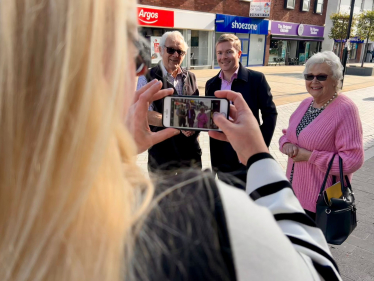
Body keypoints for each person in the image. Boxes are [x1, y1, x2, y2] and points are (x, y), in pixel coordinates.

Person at [0, 1, 343, 280]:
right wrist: (260, 157)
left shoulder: (19, 221)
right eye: (132, 46)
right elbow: (320, 269)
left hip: (191, 152)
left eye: (180, 50)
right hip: (169, 161)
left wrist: (119, 152)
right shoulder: (212, 217)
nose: (140, 67)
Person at [279, 51, 364, 220]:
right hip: (293, 194)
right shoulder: (306, 104)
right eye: (309, 76)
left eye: (322, 77)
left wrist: (310, 156)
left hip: (321, 203)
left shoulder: (345, 109)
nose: (314, 81)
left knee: (309, 246)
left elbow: (352, 160)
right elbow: (287, 135)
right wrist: (285, 144)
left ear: (336, 79)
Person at [206, 34, 278, 189]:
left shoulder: (256, 79)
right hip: (222, 157)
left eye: (229, 52)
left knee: (251, 203)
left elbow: (270, 114)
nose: (223, 57)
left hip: (247, 156)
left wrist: (259, 147)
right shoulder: (211, 84)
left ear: (239, 53)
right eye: (219, 53)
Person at [136, 31, 201, 173]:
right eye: (171, 50)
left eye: (180, 52)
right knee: (163, 194)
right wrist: (178, 122)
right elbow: (144, 113)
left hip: (189, 155)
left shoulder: (191, 77)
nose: (176, 55)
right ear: (160, 50)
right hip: (162, 156)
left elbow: (196, 111)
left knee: (191, 194)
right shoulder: (147, 77)